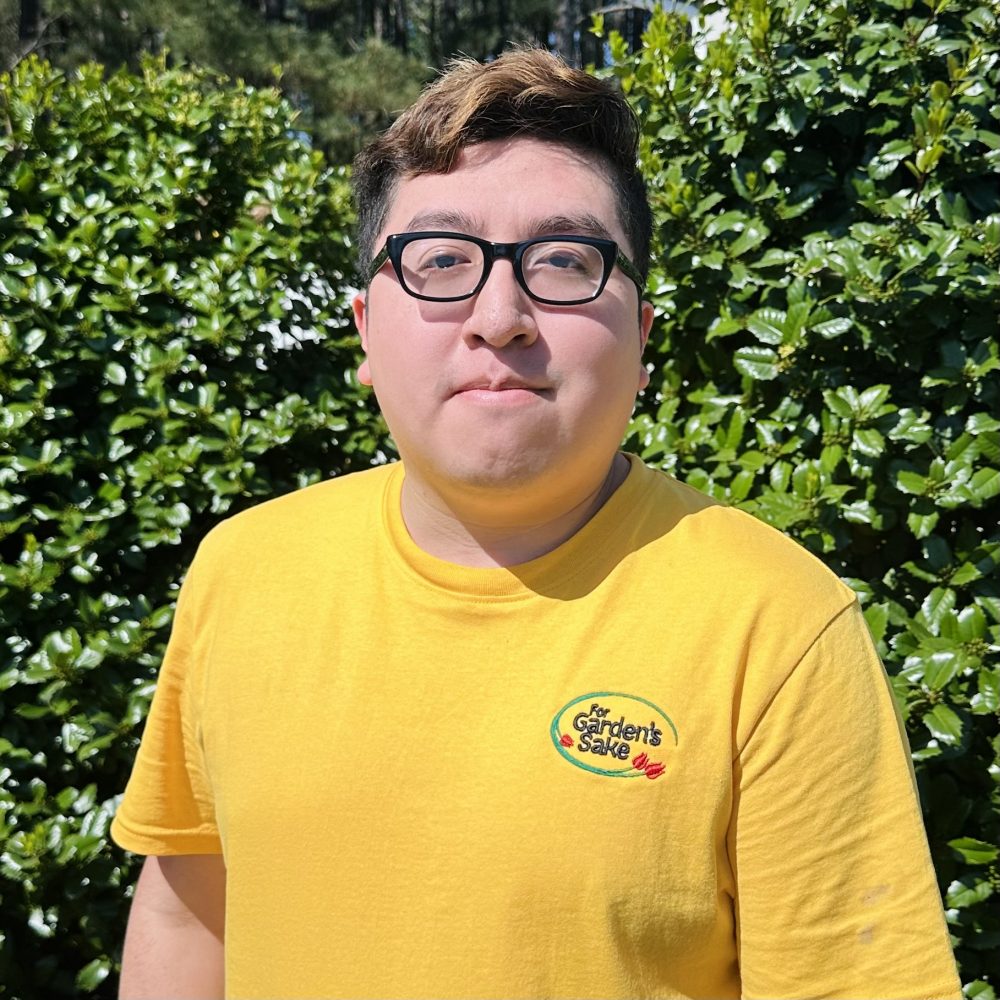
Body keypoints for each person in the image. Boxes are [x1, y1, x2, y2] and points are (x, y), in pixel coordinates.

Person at [111, 48, 961, 1000]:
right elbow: (188, 911)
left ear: (641, 339)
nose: (500, 315)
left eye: (564, 260)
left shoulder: (776, 626)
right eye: (440, 262)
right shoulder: (245, 572)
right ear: (362, 329)